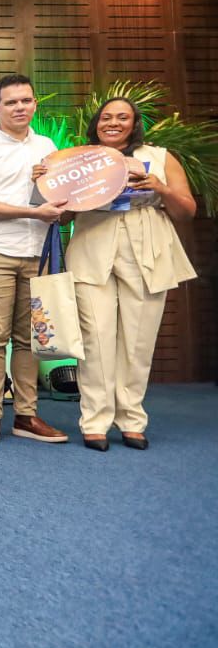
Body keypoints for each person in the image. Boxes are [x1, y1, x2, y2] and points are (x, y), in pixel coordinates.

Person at [58, 97, 196, 451]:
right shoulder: (79, 160)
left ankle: (132, 419)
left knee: (138, 340)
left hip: (147, 246)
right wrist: (51, 185)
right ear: (96, 124)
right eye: (106, 117)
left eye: (122, 117)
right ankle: (95, 421)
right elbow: (61, 217)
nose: (113, 123)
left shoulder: (161, 156)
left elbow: (187, 211)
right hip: (92, 245)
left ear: (135, 124)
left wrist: (159, 187)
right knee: (95, 340)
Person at [0, 73, 68, 445]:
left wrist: (53, 195)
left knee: (29, 340)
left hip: (38, 253)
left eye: (26, 100)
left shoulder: (49, 146)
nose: (20, 107)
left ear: (35, 104)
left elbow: (60, 200)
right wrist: (32, 211)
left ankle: (27, 415)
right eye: (11, 102)